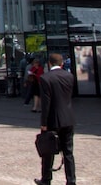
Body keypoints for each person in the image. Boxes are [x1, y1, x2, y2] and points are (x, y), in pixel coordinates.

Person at [35, 53, 75, 185]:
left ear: (49, 63)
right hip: (68, 118)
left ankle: (46, 179)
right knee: (68, 153)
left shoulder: (46, 78)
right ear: (62, 63)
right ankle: (71, 181)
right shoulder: (69, 76)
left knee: (48, 151)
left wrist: (43, 123)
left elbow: (46, 103)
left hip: (53, 120)